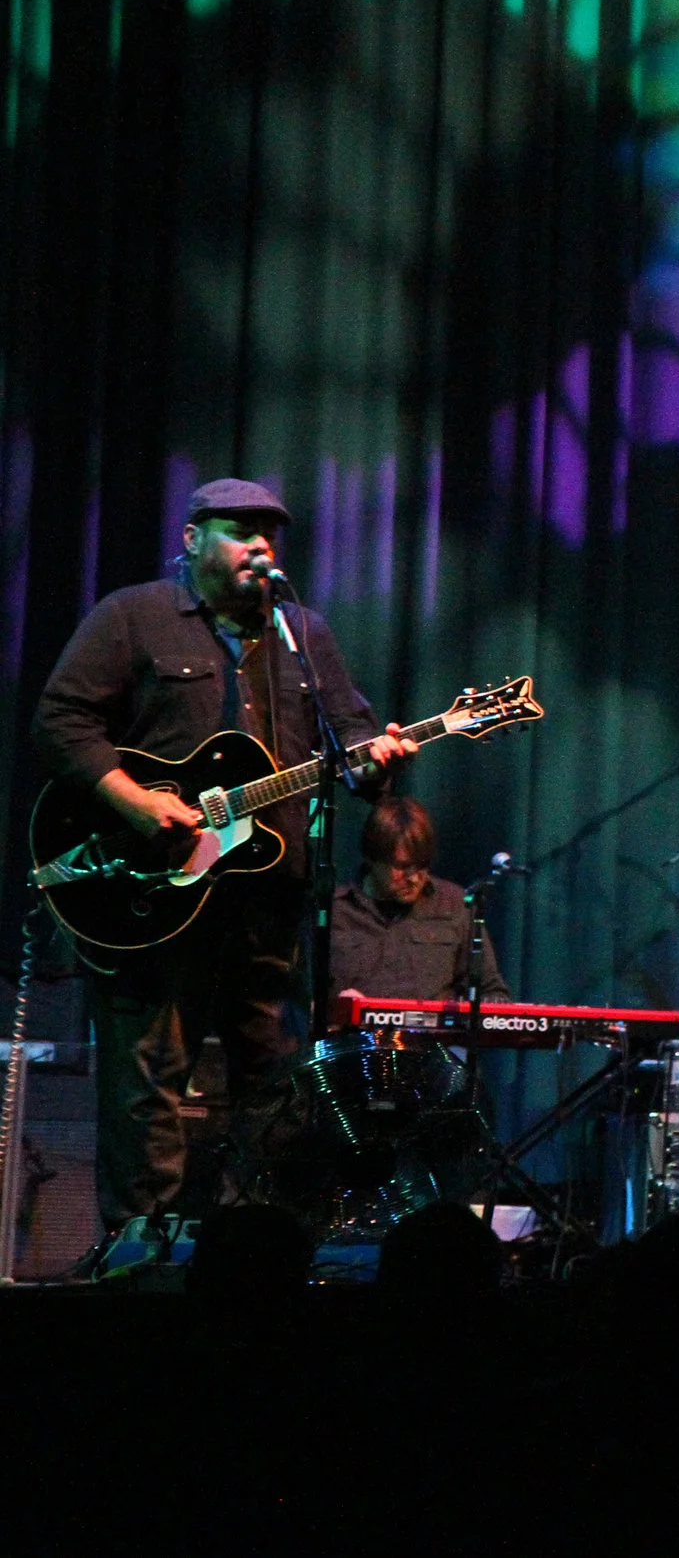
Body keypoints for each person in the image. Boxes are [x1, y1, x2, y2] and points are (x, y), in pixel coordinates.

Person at [30, 478, 420, 1223]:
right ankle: (143, 1252)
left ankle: (261, 1242)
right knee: (151, 1078)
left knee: (274, 1078)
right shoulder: (134, 616)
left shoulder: (302, 633)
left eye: (269, 533)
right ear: (192, 538)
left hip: (267, 894)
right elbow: (60, 722)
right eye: (241, 531)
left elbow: (353, 736)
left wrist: (378, 761)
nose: (260, 545)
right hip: (153, 890)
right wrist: (135, 801)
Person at [330, 794, 512, 1013]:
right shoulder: (334, 911)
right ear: (372, 858)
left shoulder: (455, 905)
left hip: (432, 1035)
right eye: (402, 867)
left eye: (422, 865)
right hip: (352, 1034)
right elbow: (302, 1001)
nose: (415, 878)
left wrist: (481, 1012)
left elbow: (492, 991)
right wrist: (335, 1008)